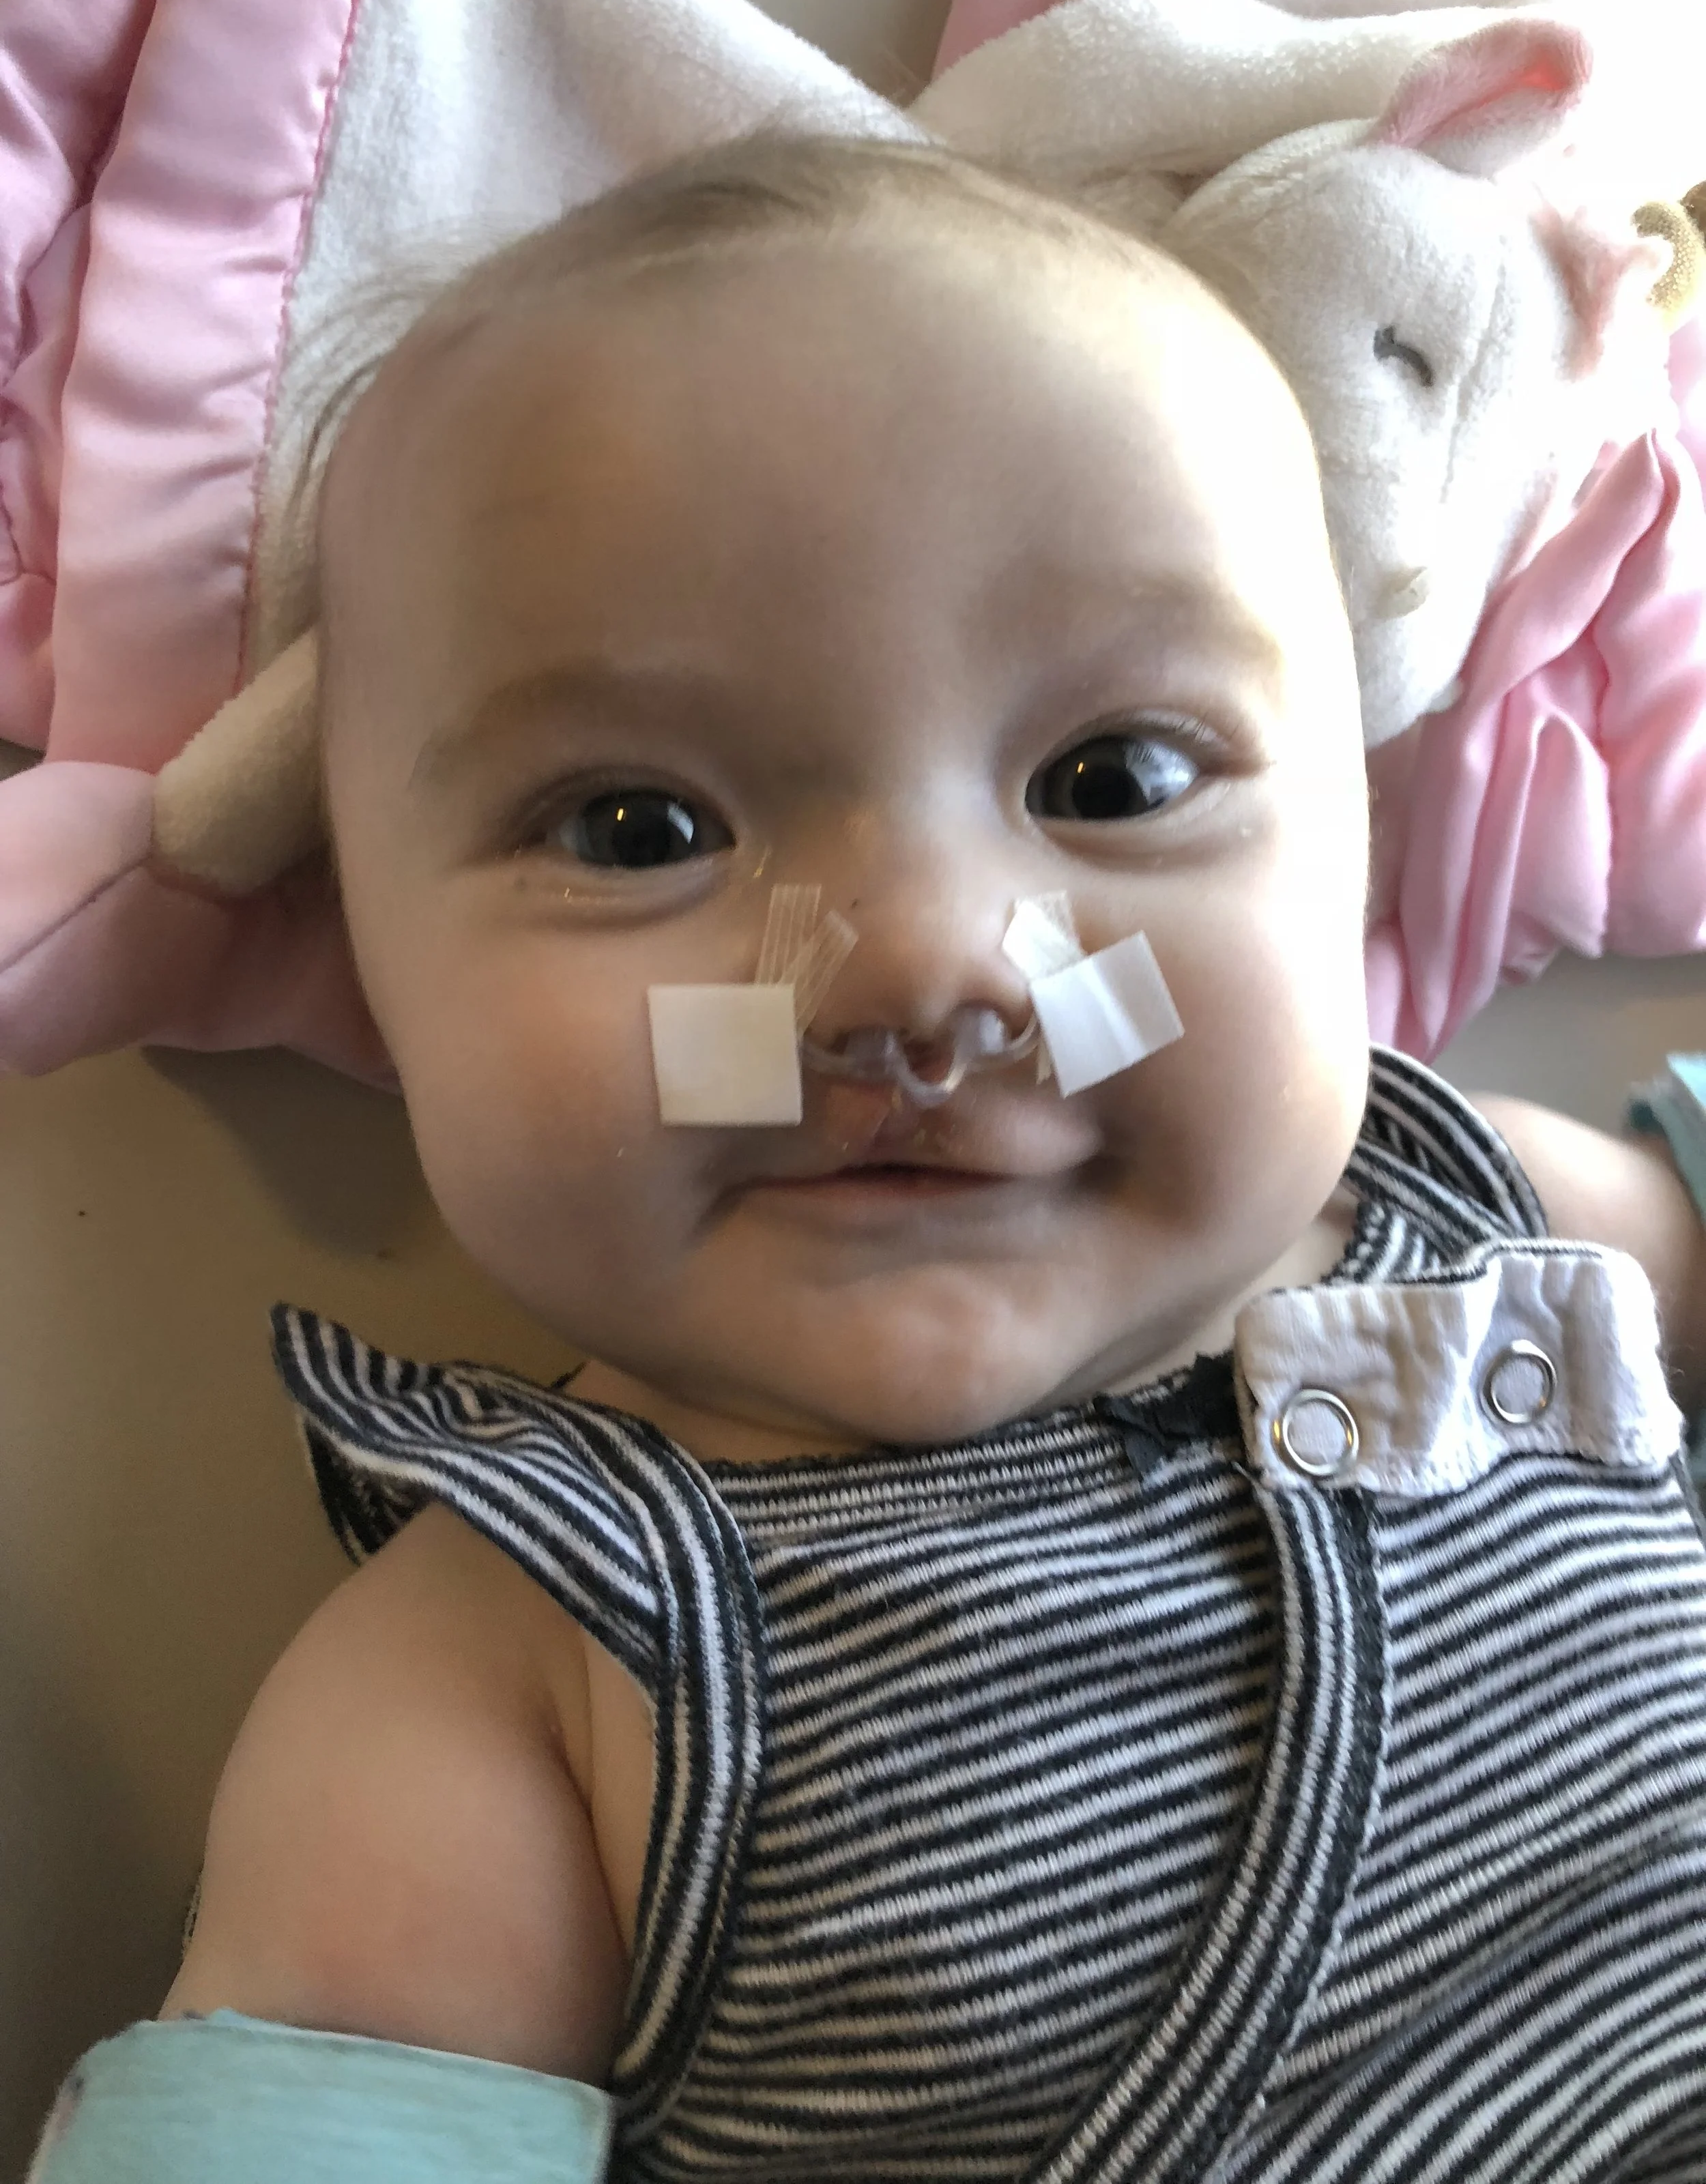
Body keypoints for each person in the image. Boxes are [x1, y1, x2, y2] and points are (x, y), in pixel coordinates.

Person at [33, 135, 1706, 2182]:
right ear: (372, 959)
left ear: (1348, 837)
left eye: (1113, 777)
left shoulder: (1493, 1224)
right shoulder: (526, 1671)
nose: (920, 973)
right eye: (638, 827)